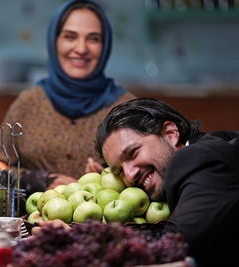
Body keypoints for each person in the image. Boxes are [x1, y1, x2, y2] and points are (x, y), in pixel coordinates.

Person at [0, 0, 135, 196]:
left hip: (104, 225)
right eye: (70, 36)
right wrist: (41, 180)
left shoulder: (127, 109)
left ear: (106, 45)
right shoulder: (29, 103)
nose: (81, 48)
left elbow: (149, 176)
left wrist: (114, 180)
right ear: (54, 41)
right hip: (29, 222)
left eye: (93, 39)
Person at [92, 97, 239, 267]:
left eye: (132, 153)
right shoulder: (213, 143)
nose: (130, 175)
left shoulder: (198, 159)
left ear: (170, 133)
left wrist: (86, 236)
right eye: (119, 171)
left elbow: (171, 244)